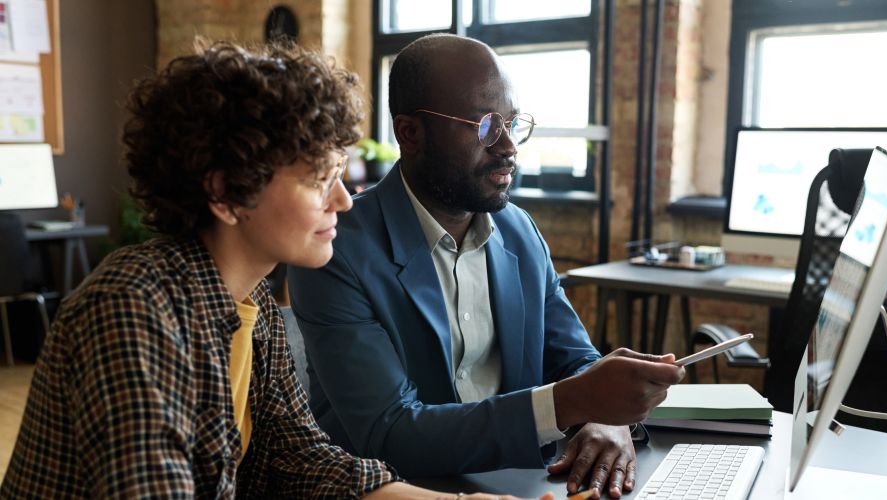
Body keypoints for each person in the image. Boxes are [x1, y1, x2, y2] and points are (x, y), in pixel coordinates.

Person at [0, 40, 546, 500]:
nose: (344, 201)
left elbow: (298, 457)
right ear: (225, 190)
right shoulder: (132, 308)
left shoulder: (253, 305)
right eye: (318, 178)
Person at [288, 34, 686, 499]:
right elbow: (390, 433)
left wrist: (605, 415)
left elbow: (575, 359)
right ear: (410, 132)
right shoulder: (336, 247)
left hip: (524, 483)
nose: (507, 146)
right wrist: (574, 401)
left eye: (513, 123)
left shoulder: (519, 231)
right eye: (483, 124)